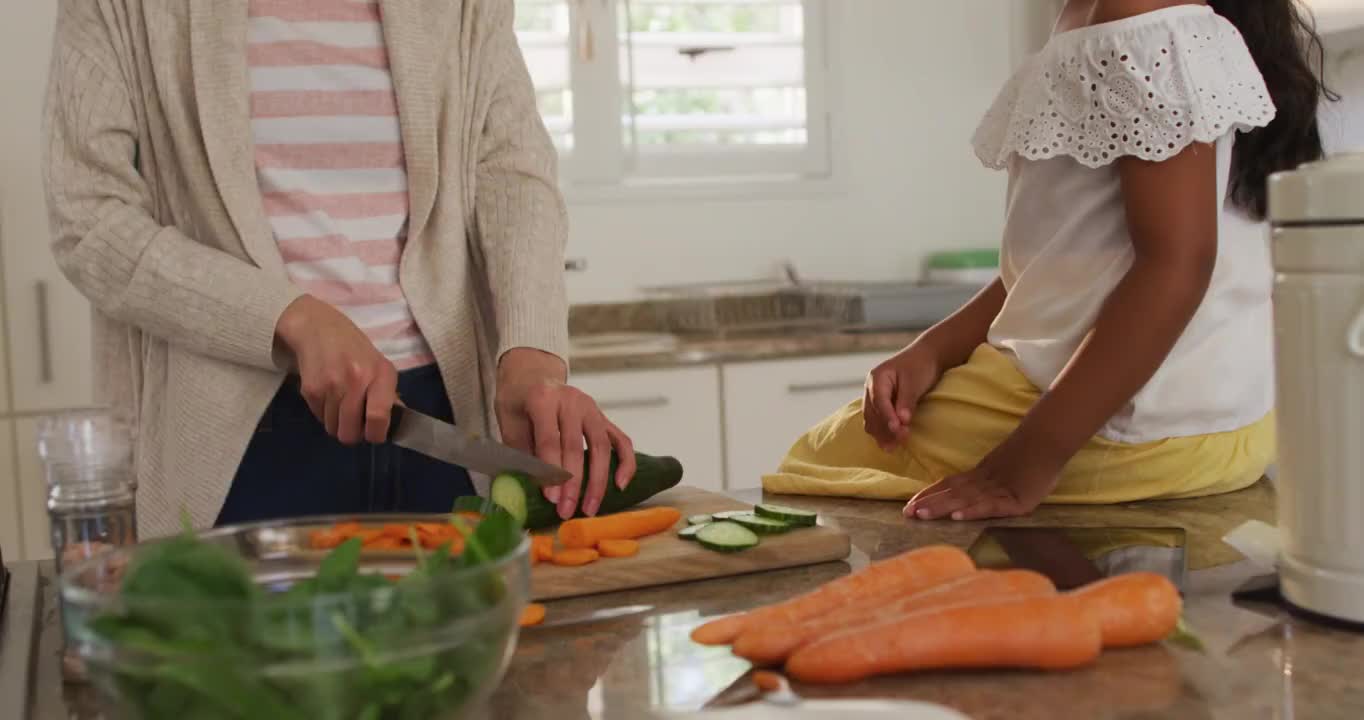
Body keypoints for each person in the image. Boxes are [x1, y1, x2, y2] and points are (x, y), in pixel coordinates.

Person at [43, 0, 634, 537]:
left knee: (462, 650)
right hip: (242, 442)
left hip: (444, 424)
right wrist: (289, 318)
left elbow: (512, 173)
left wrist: (531, 357)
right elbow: (90, 222)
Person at [764, 0, 1334, 521]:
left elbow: (1176, 266)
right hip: (1222, 429)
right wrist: (933, 348)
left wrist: (1023, 465)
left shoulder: (1138, 12)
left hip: (1135, 431)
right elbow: (1061, 261)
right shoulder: (1098, 16)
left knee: (814, 469)